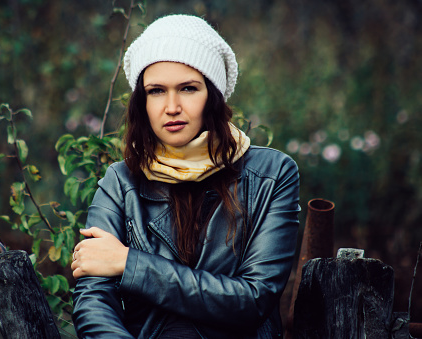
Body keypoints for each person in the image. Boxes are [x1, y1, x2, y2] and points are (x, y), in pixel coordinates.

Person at [71, 14, 300, 339]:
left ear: (214, 95)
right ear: (142, 102)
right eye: (156, 91)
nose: (172, 106)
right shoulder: (120, 182)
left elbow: (253, 300)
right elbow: (93, 301)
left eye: (188, 88)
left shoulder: (271, 175)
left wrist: (129, 263)